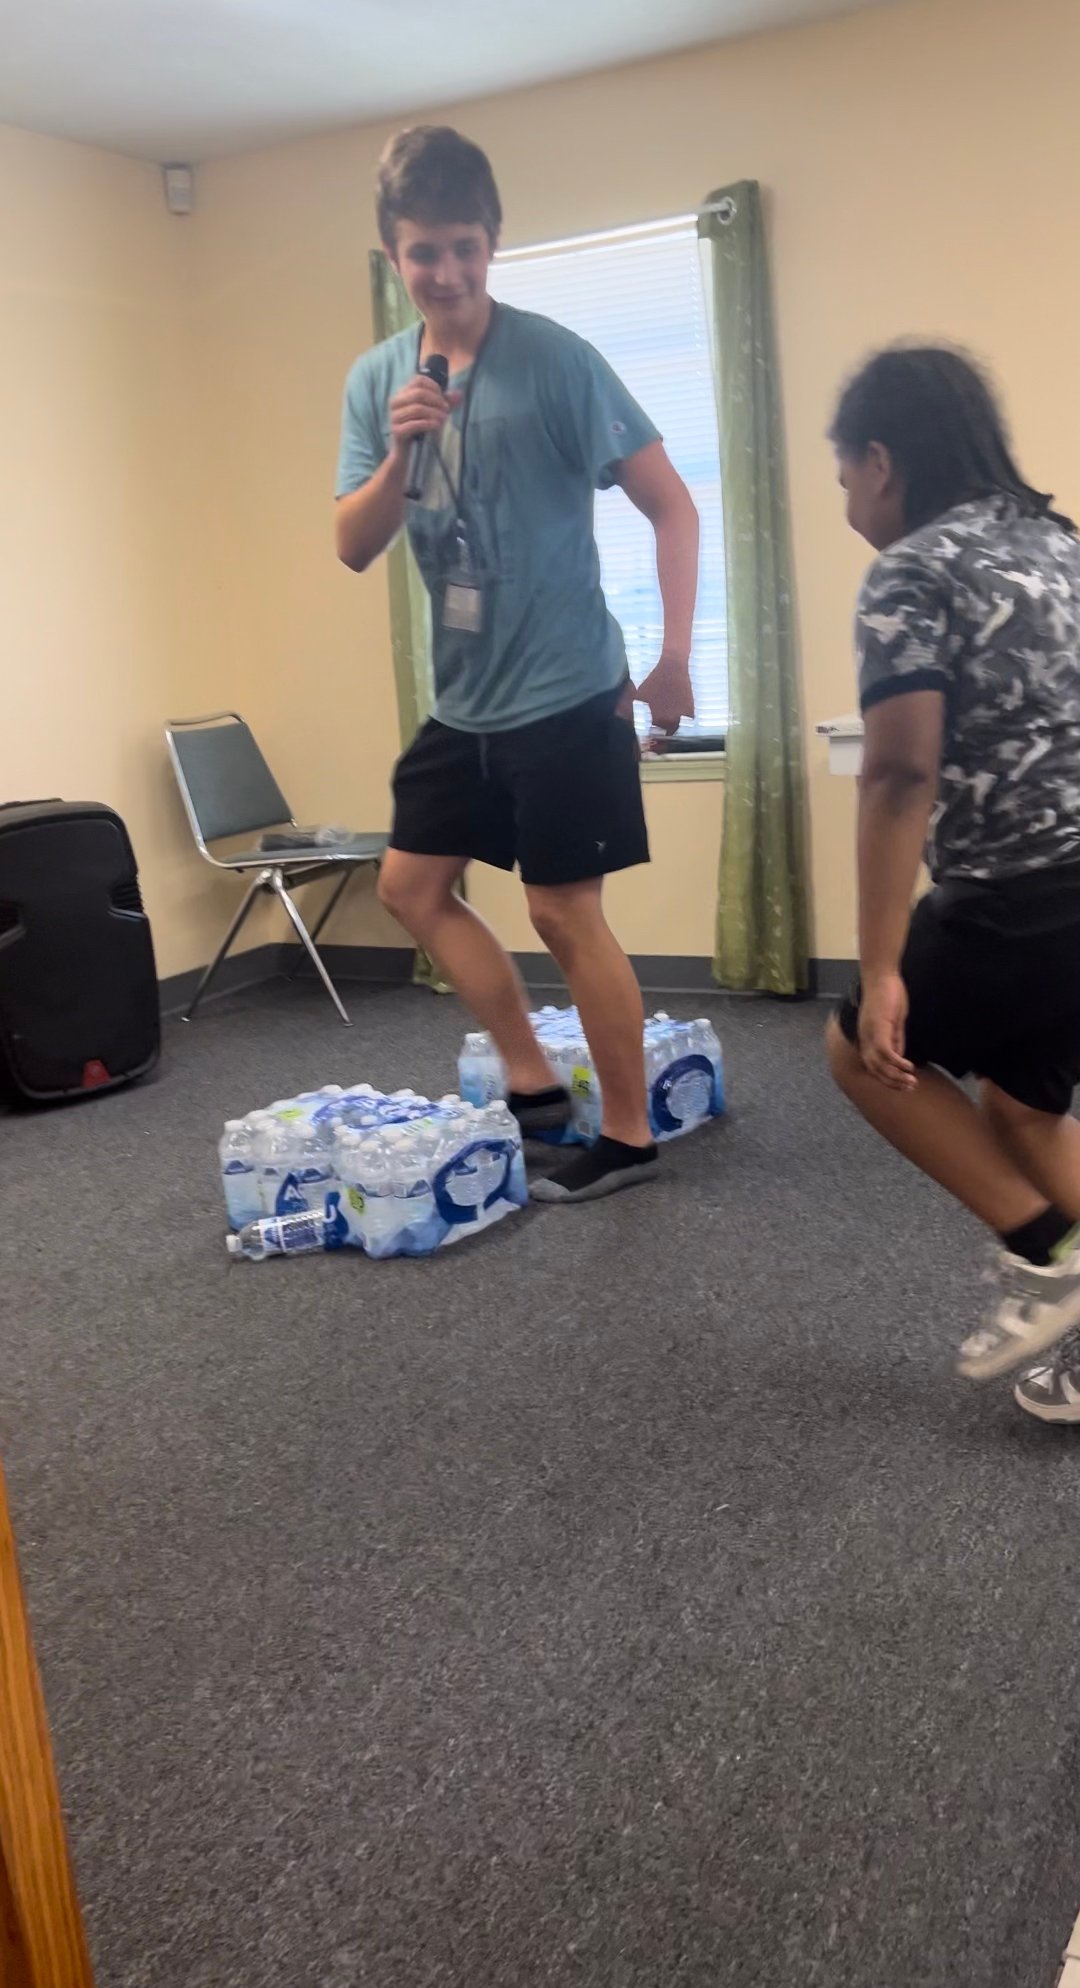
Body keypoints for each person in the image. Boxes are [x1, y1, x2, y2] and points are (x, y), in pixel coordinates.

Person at [334, 126, 699, 1204]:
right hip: (465, 701)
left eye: (463, 247)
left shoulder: (559, 361)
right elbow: (354, 546)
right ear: (393, 258)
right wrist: (401, 448)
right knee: (410, 886)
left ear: (493, 241)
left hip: (568, 686)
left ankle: (627, 1137)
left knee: (560, 909)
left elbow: (671, 504)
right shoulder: (376, 381)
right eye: (421, 254)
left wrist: (676, 659)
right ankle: (533, 1082)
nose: (446, 274)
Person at [825, 343, 1080, 1422]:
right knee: (1024, 1107)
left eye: (843, 476)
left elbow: (897, 772)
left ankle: (1054, 1256)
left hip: (1036, 883)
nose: (847, 501)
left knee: (861, 1050)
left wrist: (880, 965)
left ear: (882, 460)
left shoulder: (912, 571)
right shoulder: (1067, 547)